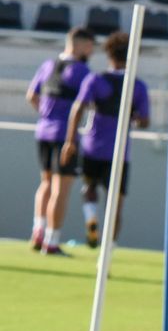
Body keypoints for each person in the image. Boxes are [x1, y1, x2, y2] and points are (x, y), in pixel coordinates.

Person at [60, 32, 149, 248]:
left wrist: (70, 141)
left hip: (92, 145)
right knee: (116, 201)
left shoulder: (95, 79)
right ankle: (110, 246)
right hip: (119, 150)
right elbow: (145, 121)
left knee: (89, 186)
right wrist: (133, 116)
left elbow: (78, 108)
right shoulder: (137, 86)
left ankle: (91, 216)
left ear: (109, 55)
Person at [26, 27, 94, 255]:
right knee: (61, 188)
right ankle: (51, 241)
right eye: (90, 47)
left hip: (43, 131)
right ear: (81, 45)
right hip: (66, 135)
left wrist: (46, 115)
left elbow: (31, 95)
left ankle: (38, 231)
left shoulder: (48, 65)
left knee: (45, 183)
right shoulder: (82, 71)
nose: (91, 52)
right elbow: (89, 102)